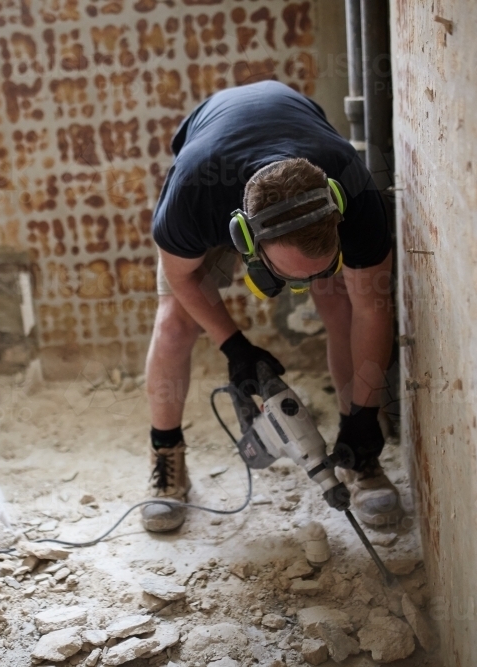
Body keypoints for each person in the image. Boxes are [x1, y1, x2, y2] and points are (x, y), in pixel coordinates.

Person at [143, 80, 401, 533]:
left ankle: (360, 455)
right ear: (245, 241)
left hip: (301, 138)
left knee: (339, 303)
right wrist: (234, 346)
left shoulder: (358, 195)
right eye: (288, 273)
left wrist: (365, 414)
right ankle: (166, 458)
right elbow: (184, 277)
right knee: (175, 323)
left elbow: (373, 312)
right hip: (215, 162)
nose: (299, 285)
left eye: (318, 267)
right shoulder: (193, 193)